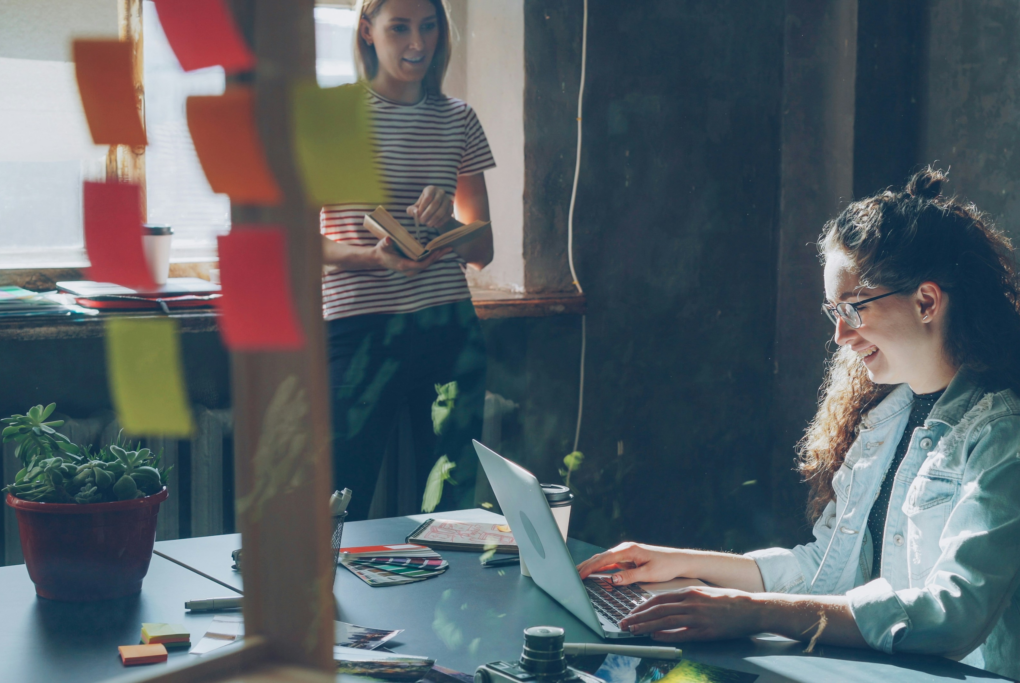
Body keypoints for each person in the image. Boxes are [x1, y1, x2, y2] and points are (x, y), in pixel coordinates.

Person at [576, 168, 1020, 680]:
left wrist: (756, 612)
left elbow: (952, 614)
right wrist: (682, 564)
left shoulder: (1000, 433)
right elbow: (825, 568)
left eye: (853, 309)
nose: (840, 335)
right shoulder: (886, 418)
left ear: (926, 302)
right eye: (834, 311)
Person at [321, 0, 495, 521]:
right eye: (399, 28)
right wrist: (375, 259)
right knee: (339, 503)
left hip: (448, 330)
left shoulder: (459, 118)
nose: (418, 44)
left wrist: (447, 224)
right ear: (367, 30)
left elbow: (482, 250)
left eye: (428, 26)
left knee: (450, 511)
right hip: (359, 331)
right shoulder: (333, 116)